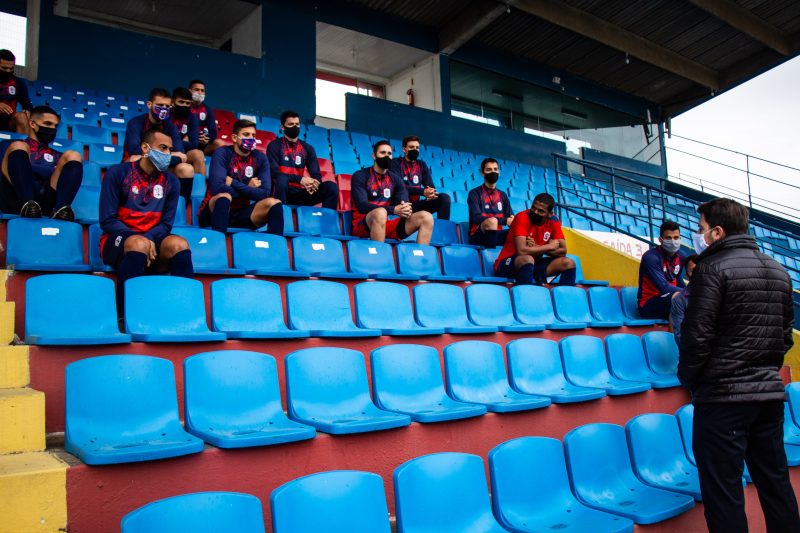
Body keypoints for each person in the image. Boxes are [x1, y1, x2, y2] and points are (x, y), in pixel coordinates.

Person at [679, 198, 799, 533]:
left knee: (723, 492)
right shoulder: (778, 270)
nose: (697, 234)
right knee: (776, 483)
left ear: (717, 232)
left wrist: (693, 380)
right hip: (768, 395)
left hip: (723, 398)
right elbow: (784, 336)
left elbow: (695, 336)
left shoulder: (710, 269)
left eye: (701, 228)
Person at [100, 129, 193, 309]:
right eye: (163, 148)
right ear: (145, 148)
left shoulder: (172, 182)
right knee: (137, 244)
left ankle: (186, 310)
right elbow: (108, 220)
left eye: (170, 150)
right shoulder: (118, 173)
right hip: (118, 241)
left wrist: (148, 238)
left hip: (152, 241)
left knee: (179, 244)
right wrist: (138, 238)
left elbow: (166, 225)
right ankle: (124, 315)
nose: (167, 154)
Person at [198, 119, 283, 234]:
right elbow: (217, 188)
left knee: (274, 203)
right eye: (246, 134)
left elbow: (264, 194)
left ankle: (275, 247)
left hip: (242, 213)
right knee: (224, 196)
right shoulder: (222, 153)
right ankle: (219, 243)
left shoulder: (260, 158)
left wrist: (233, 183)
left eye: (253, 136)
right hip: (214, 212)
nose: (251, 138)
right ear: (234, 138)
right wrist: (249, 188)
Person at [0, 105, 82, 219]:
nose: (53, 129)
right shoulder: (10, 145)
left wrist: (33, 168)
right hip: (16, 200)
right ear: (32, 124)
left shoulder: (58, 155)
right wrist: (49, 170)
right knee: (18, 146)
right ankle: (27, 205)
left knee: (74, 155)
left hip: (47, 201)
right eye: (48, 124)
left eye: (55, 126)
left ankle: (60, 210)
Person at [122, 87, 200, 201]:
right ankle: (136, 199)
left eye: (167, 107)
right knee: (135, 158)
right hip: (139, 165)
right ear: (149, 104)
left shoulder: (170, 127)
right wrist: (168, 156)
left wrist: (158, 157)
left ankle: (180, 204)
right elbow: (134, 150)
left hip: (163, 167)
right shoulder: (135, 123)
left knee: (186, 168)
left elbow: (182, 155)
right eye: (160, 105)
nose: (164, 109)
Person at [350, 140, 433, 244]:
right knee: (380, 213)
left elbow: (404, 202)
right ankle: (380, 256)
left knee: (426, 217)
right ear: (374, 156)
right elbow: (362, 206)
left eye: (389, 153)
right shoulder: (360, 176)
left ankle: (421, 257)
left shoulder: (395, 179)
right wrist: (393, 209)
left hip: (386, 224)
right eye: (382, 153)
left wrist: (405, 208)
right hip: (362, 225)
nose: (386, 156)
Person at [493, 192, 576, 285]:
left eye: (541, 211)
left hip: (534, 264)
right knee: (527, 259)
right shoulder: (522, 217)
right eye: (533, 208)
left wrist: (537, 247)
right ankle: (525, 295)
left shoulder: (554, 221)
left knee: (569, 263)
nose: (535, 212)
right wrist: (548, 247)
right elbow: (522, 251)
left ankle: (564, 297)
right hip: (507, 263)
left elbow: (563, 251)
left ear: (550, 214)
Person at [267, 110, 338, 210]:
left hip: (300, 194)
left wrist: (313, 184)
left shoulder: (308, 148)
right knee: (281, 179)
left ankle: (327, 221)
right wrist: (299, 179)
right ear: (282, 127)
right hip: (280, 192)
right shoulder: (274, 146)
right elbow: (274, 173)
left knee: (331, 187)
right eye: (291, 124)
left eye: (297, 124)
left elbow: (316, 175)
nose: (295, 127)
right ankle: (280, 214)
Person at [389, 135, 450, 220]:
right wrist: (422, 192)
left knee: (444, 198)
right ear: (404, 149)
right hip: (401, 205)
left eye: (417, 147)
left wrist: (430, 193)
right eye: (411, 147)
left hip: (415, 206)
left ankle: (444, 230)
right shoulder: (395, 163)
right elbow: (399, 188)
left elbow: (430, 185)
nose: (415, 149)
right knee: (402, 194)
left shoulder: (421, 164)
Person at [636, 220, 685, 321]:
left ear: (680, 239)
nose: (673, 241)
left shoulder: (681, 256)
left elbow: (680, 282)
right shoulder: (651, 257)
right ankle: (676, 336)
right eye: (668, 238)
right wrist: (691, 293)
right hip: (648, 304)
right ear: (660, 240)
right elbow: (664, 287)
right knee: (677, 298)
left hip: (671, 298)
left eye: (676, 238)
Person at [467, 158, 513, 247]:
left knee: (521, 233)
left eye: (495, 169)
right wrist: (504, 221)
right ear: (482, 173)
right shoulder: (474, 193)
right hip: (478, 236)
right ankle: (490, 256)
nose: (493, 172)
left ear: (499, 172)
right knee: (492, 222)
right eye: (489, 170)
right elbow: (476, 218)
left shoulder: (503, 195)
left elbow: (511, 218)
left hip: (497, 234)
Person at [170, 86, 203, 173]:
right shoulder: (166, 115)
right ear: (173, 101)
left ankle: (200, 186)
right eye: (181, 102)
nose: (184, 105)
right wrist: (183, 141)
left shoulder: (192, 118)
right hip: (165, 152)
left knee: (198, 154)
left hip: (183, 153)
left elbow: (194, 144)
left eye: (187, 103)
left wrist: (177, 143)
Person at [188, 79, 225, 155]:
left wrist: (206, 138)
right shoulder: (184, 107)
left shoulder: (207, 110)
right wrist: (194, 137)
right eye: (196, 90)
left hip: (201, 145)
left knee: (220, 143)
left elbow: (213, 132)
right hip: (187, 143)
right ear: (189, 91)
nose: (200, 93)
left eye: (202, 90)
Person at [0, 49, 32, 134]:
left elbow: (27, 104)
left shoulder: (18, 83)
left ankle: (22, 146)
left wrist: (27, 110)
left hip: (9, 121)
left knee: (22, 117)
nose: (8, 71)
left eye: (11, 68)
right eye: (4, 68)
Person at [671, 253, 697, 346]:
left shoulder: (717, 294)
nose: (697, 274)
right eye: (693, 271)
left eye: (700, 269)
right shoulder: (679, 300)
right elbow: (679, 336)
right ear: (686, 275)